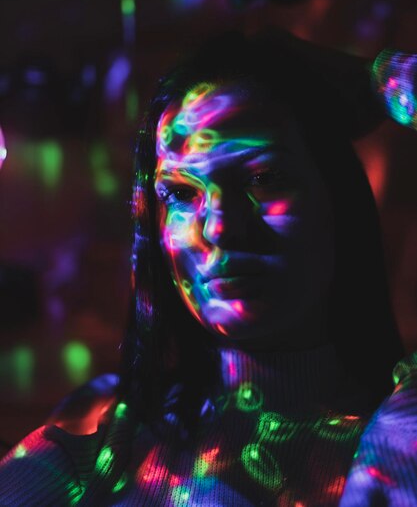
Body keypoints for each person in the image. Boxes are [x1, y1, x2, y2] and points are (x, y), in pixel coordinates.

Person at [1, 31, 417, 506]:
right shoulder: (106, 428)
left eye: (263, 178)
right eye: (180, 193)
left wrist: (389, 80)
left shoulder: (401, 422)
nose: (219, 227)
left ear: (337, 198)